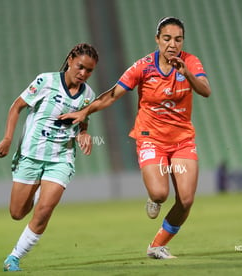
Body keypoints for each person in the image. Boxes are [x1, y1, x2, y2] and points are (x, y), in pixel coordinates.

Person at [59, 17, 211, 259]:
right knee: (160, 194)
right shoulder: (143, 66)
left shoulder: (190, 62)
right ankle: (154, 198)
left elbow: (205, 90)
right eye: (167, 38)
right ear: (157, 40)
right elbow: (112, 95)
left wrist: (187, 74)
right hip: (151, 138)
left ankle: (157, 245)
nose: (173, 44)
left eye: (178, 39)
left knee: (186, 200)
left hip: (182, 140)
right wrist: (84, 111)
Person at [0, 43, 99, 271]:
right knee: (17, 213)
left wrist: (84, 133)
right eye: (80, 67)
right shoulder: (45, 81)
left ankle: (14, 257)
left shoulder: (88, 95)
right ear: (70, 59)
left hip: (61, 157)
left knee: (45, 209)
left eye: (89, 70)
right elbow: (16, 107)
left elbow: (83, 118)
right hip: (31, 155)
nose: (83, 74)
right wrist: (8, 139)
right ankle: (38, 188)